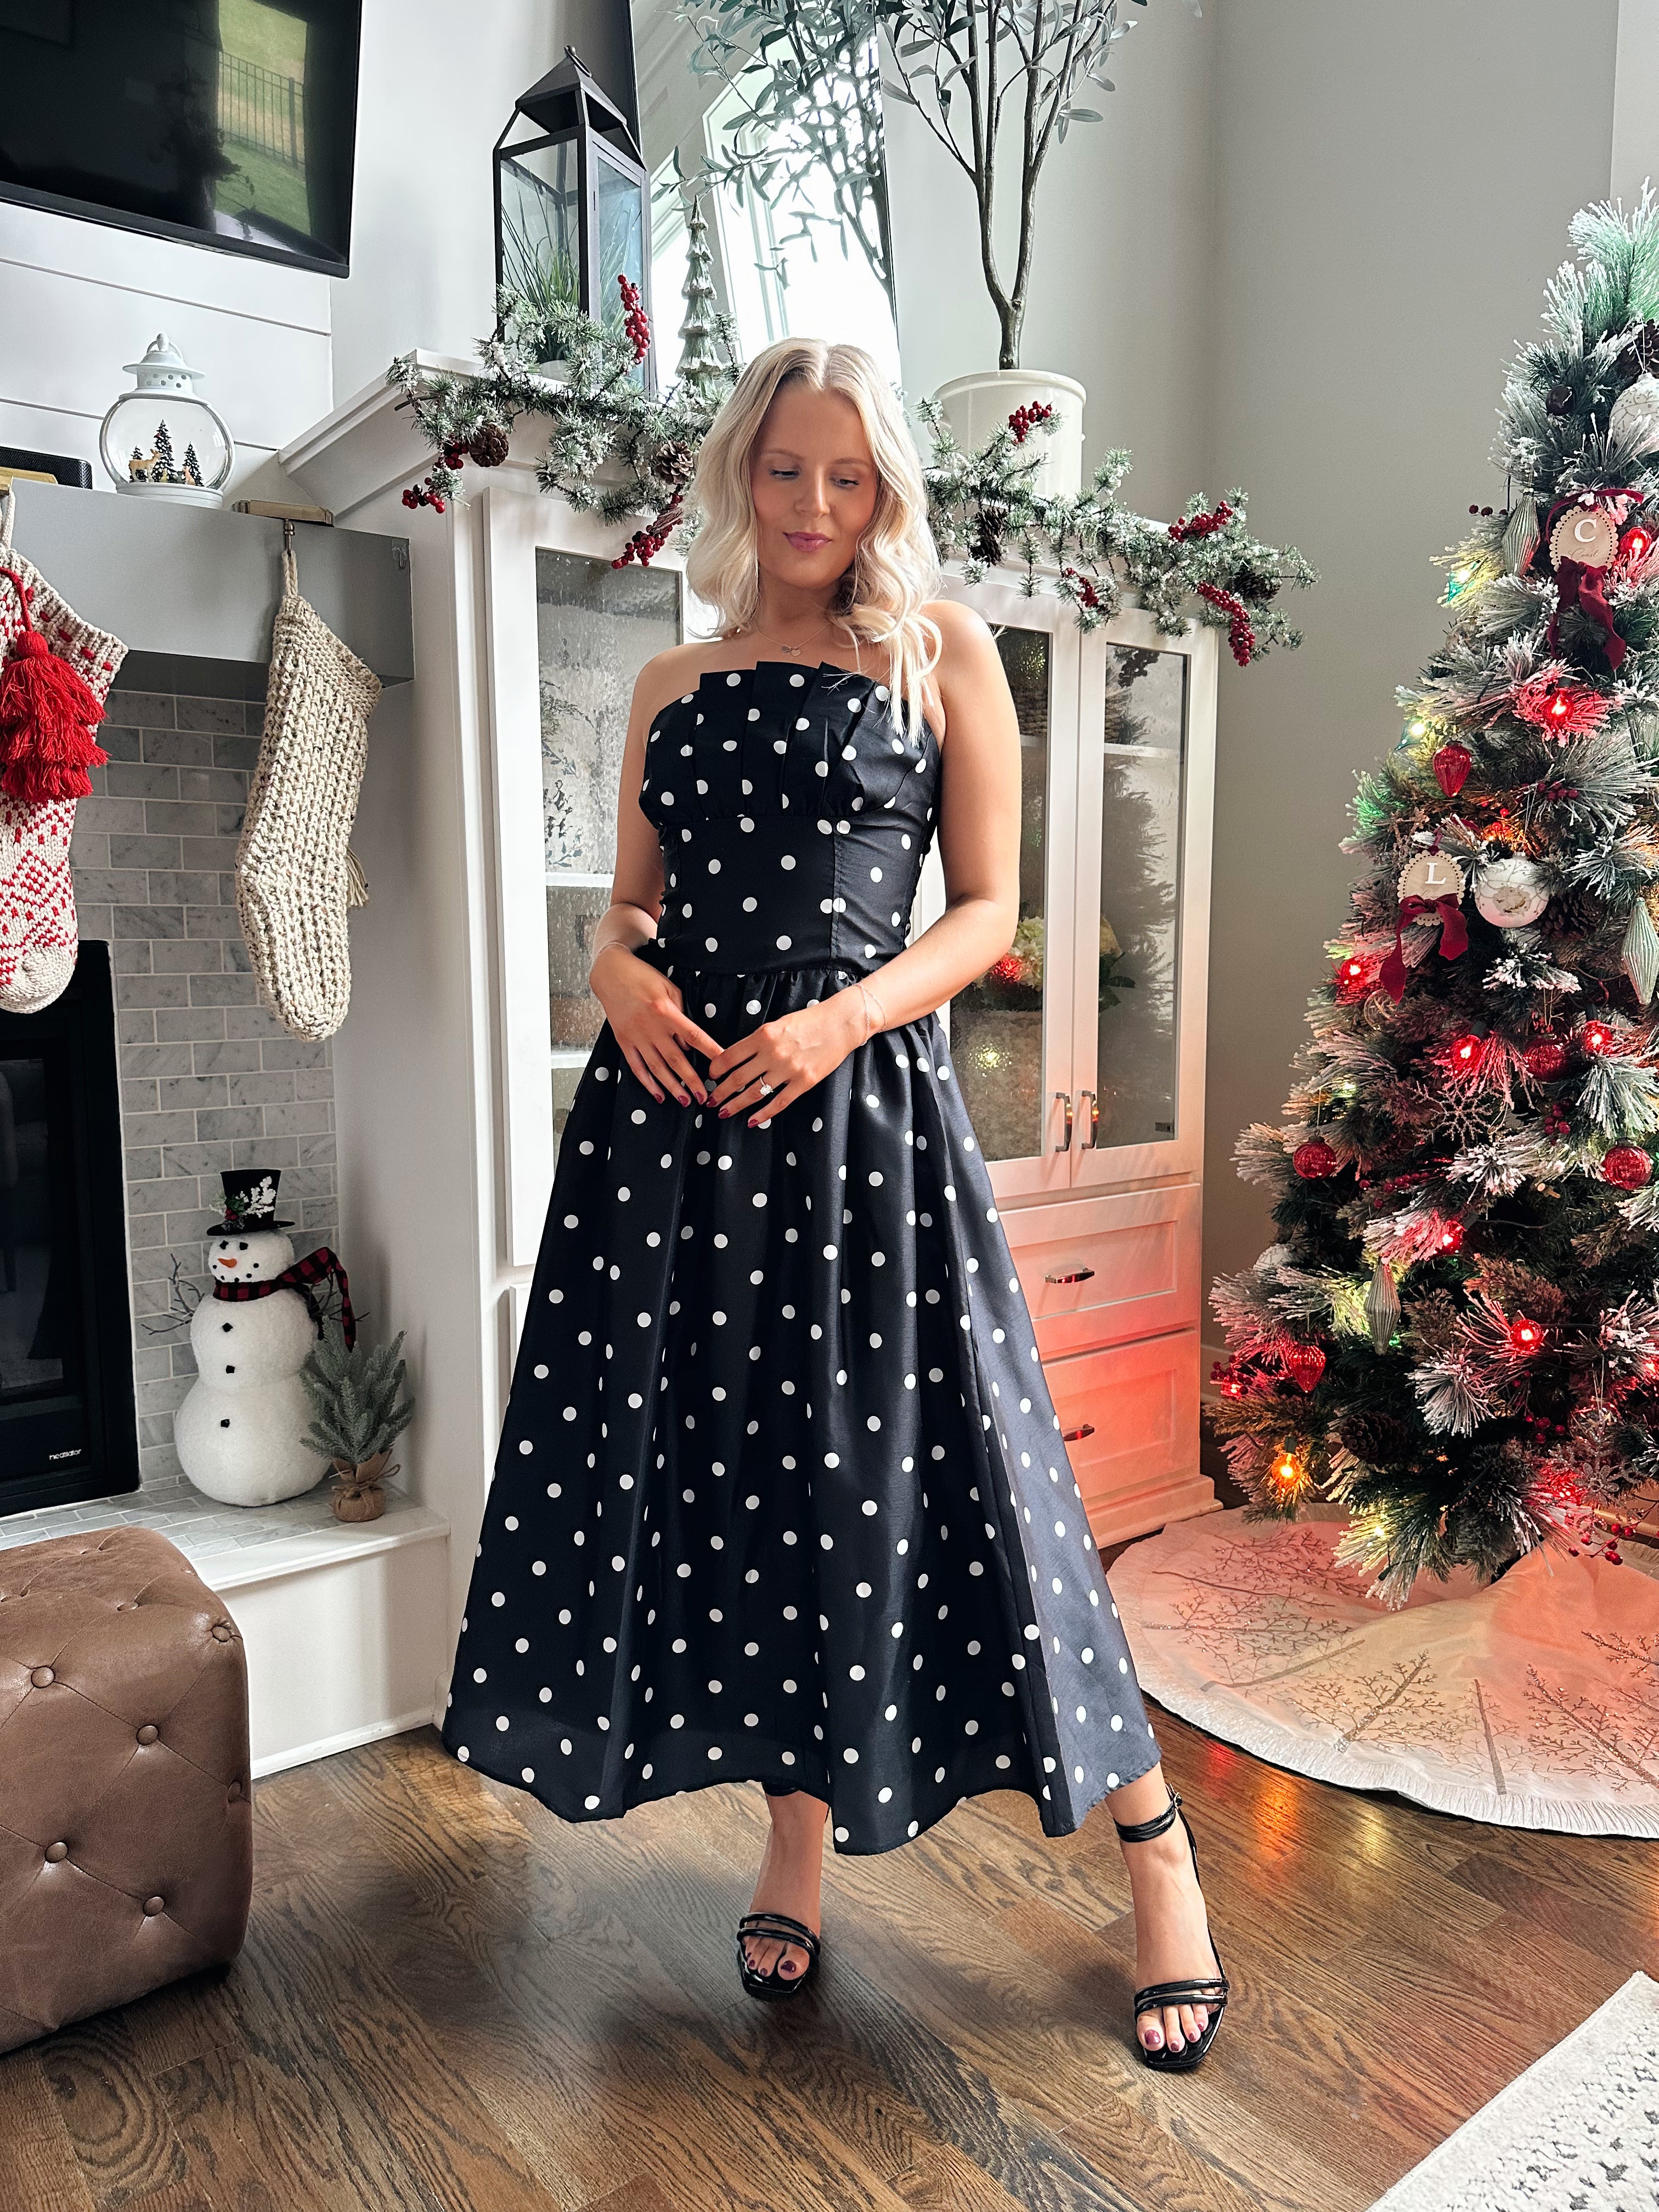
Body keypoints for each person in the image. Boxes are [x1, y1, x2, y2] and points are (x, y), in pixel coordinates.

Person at [443, 337, 1227, 2067]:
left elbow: (990, 911)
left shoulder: (938, 652)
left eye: (848, 476)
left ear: (885, 491)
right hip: (675, 1136)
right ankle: (791, 1846)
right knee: (756, 1485)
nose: (813, 504)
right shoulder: (673, 681)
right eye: (786, 469)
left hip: (862, 1116)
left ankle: (1159, 1857)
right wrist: (614, 975)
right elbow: (631, 910)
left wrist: (836, 1021)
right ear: (745, 475)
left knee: (991, 1480)